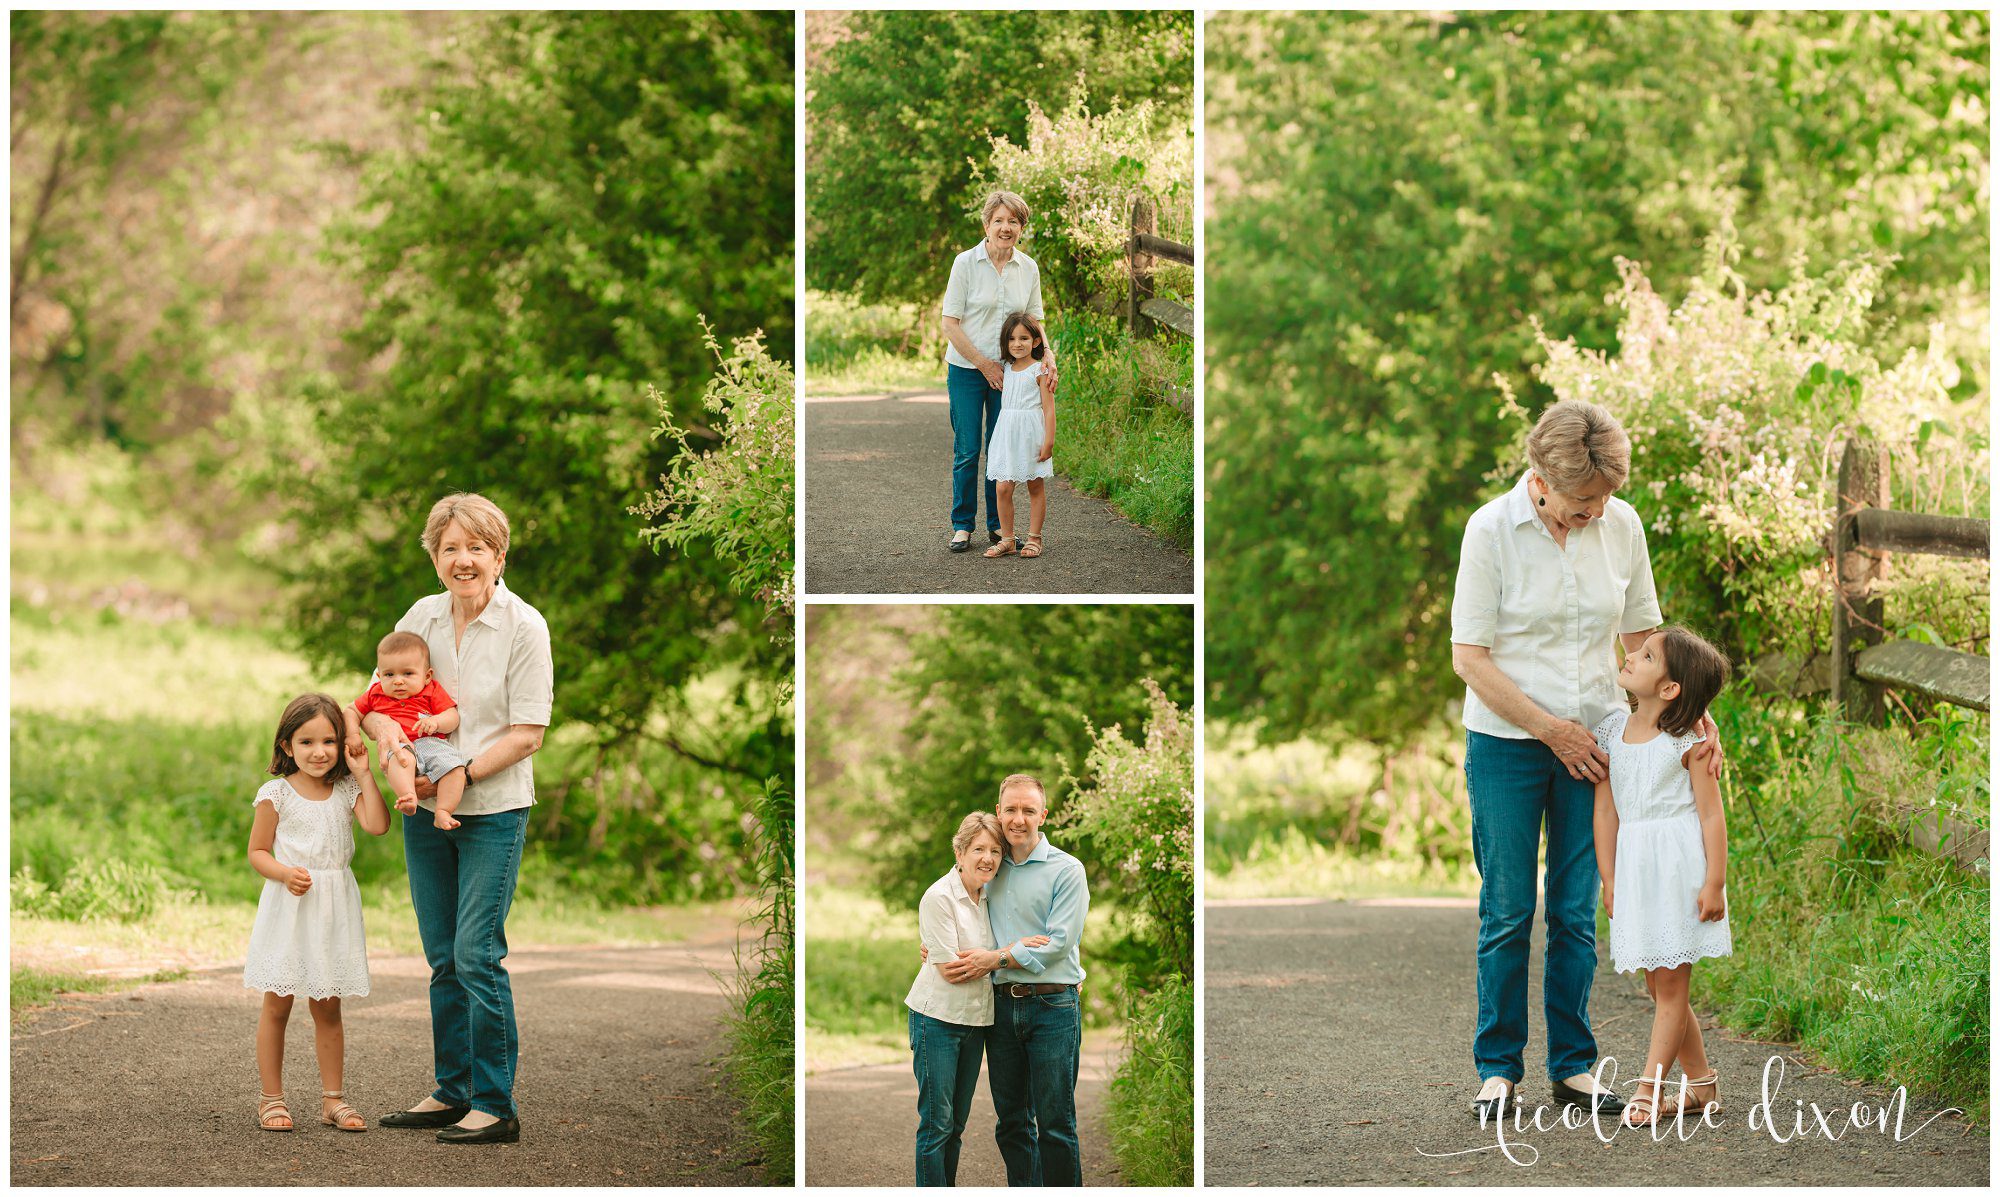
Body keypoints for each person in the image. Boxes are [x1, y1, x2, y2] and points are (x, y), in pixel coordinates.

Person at [1449, 399, 1720, 1121]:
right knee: (1508, 908)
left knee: (1574, 909)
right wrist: (1549, 729)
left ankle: (1572, 1065)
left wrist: (1697, 716)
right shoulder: (1489, 531)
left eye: (1603, 498)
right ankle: (1498, 1067)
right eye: (1582, 501)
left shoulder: (1621, 525)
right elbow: (1469, 659)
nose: (1595, 512)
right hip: (1507, 742)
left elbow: (1647, 642)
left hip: (1597, 743)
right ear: (1540, 478)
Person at [359, 493, 552, 1145]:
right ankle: (453, 1090)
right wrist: (388, 737)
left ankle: (496, 1103)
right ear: (435, 556)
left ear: (499, 555)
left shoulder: (525, 626)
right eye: (450, 548)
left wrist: (464, 770)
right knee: (442, 957)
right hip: (424, 809)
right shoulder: (421, 617)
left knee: (477, 953)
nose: (462, 559)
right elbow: (379, 701)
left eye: (476, 547)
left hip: (494, 809)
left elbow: (528, 733)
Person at [1592, 627, 1733, 1127]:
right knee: (1658, 984)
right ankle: (1702, 1084)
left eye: (1647, 655)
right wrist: (1610, 879)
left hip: (1677, 869)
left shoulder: (1690, 742)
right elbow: (1605, 812)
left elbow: (1712, 816)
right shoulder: (1613, 731)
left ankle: (1649, 1089)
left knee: (1672, 986)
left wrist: (1714, 881)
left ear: (1670, 688)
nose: (1632, 654)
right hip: (1635, 869)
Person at [245, 693, 390, 1132]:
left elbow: (378, 826)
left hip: (333, 907)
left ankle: (333, 1100)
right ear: (287, 746)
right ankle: (271, 1099)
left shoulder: (346, 790)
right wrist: (285, 873)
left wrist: (364, 775)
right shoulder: (276, 794)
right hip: (290, 905)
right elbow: (256, 852)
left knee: (328, 1007)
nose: (319, 751)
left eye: (329, 740)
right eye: (306, 742)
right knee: (278, 1005)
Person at [936, 774, 1089, 1186]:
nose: (1018, 818)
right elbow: (958, 910)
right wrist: (938, 946)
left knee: (1057, 1125)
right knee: (1013, 1124)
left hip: (1053, 1007)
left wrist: (998, 957)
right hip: (1001, 1008)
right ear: (999, 812)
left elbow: (1058, 944)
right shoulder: (990, 865)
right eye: (1010, 809)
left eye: (1027, 810)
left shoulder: (1067, 870)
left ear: (1044, 815)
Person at [906, 813, 1050, 1186]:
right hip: (936, 1020)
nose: (987, 858)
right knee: (936, 1122)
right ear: (960, 852)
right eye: (978, 849)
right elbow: (952, 970)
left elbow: (975, 956)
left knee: (955, 1124)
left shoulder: (992, 894)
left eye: (995, 851)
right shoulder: (939, 897)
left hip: (977, 1023)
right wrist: (1008, 952)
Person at [940, 190, 1056, 553]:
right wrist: (983, 363)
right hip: (967, 369)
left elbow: (1034, 319)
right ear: (986, 225)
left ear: (1022, 227)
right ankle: (962, 526)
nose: (1006, 228)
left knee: (1000, 448)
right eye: (999, 221)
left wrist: (1047, 353)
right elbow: (950, 323)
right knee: (968, 448)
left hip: (1012, 372)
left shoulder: (1028, 267)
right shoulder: (965, 263)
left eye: (1014, 221)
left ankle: (998, 530)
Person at [345, 630, 468, 830]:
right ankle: (408, 796)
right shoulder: (375, 694)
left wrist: (436, 721)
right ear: (379, 676)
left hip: (431, 743)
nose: (398, 681)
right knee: (402, 760)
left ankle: (443, 810)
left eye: (408, 673)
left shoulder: (431, 691)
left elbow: (452, 716)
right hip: (400, 743)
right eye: (389, 674)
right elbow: (351, 711)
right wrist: (352, 735)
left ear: (427, 676)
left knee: (455, 768)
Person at [983, 312, 1057, 560]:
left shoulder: (1040, 370)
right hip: (1006, 433)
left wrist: (1049, 441)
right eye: (1012, 338)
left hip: (1030, 434)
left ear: (1036, 342)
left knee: (1035, 486)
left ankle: (1035, 538)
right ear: (1005, 343)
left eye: (1024, 338)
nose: (1017, 343)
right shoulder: (1004, 368)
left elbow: (1048, 409)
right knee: (1003, 488)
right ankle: (1008, 539)